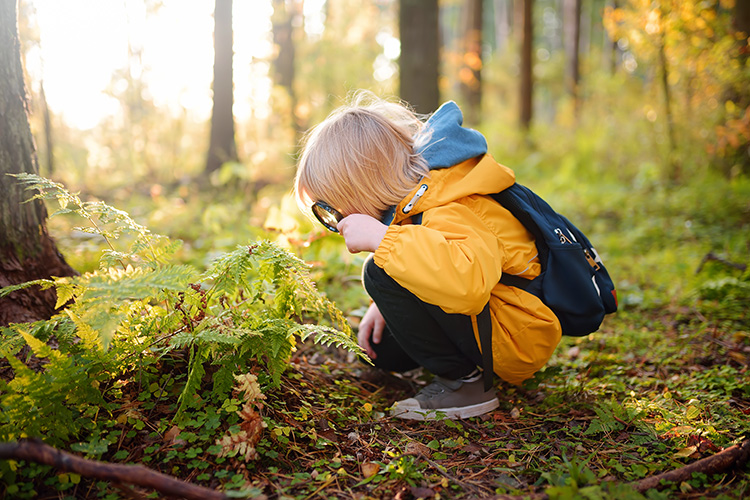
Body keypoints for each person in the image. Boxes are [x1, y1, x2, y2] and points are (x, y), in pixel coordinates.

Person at [294, 92, 562, 420]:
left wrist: (383, 241)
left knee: (377, 271)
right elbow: (429, 254)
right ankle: (452, 367)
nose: (333, 220)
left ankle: (465, 386)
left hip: (515, 334)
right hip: (493, 321)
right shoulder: (416, 201)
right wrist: (384, 304)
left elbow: (468, 284)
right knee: (383, 350)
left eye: (330, 208)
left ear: (361, 187)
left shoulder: (450, 202)